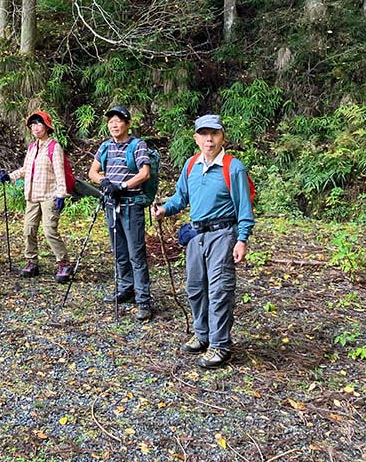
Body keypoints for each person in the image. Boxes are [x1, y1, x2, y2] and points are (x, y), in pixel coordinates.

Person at [152, 114, 255, 369]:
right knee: (196, 287)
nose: (209, 139)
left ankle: (220, 345)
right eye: (204, 134)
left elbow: (244, 207)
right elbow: (181, 197)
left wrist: (242, 240)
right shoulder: (191, 165)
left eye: (215, 133)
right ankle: (203, 334)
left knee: (220, 290)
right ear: (196, 138)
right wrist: (165, 209)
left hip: (223, 234)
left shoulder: (233, 167)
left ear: (223, 137)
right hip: (197, 236)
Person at [88, 105, 153, 321]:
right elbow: (92, 172)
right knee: (119, 250)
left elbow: (145, 173)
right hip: (111, 203)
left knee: (136, 252)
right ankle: (126, 288)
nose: (114, 125)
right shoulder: (105, 146)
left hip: (131, 204)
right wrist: (105, 182)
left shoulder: (138, 145)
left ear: (127, 123)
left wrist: (122, 186)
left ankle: (143, 299)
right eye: (110, 122)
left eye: (118, 121)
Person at [0, 110, 71, 282]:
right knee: (28, 230)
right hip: (32, 196)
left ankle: (64, 263)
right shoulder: (32, 147)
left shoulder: (54, 147)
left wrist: (61, 194)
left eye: (39, 124)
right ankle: (32, 261)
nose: (36, 128)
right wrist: (10, 176)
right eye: (33, 124)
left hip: (49, 195)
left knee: (49, 230)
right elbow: (26, 169)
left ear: (47, 126)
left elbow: (60, 173)